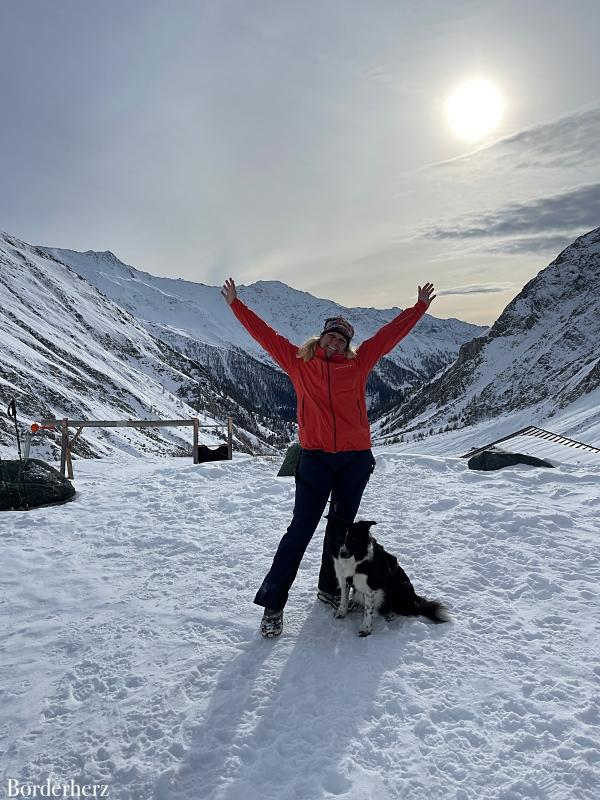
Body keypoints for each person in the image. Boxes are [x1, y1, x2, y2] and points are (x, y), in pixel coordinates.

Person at [221, 277, 436, 638]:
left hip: (354, 461)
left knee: (341, 531)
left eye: (342, 339)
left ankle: (329, 587)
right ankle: (273, 604)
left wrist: (418, 309)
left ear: (347, 345)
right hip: (316, 459)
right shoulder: (298, 362)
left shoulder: (359, 364)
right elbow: (263, 334)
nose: (335, 342)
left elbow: (387, 337)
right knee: (300, 530)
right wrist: (235, 305)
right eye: (331, 336)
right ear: (321, 338)